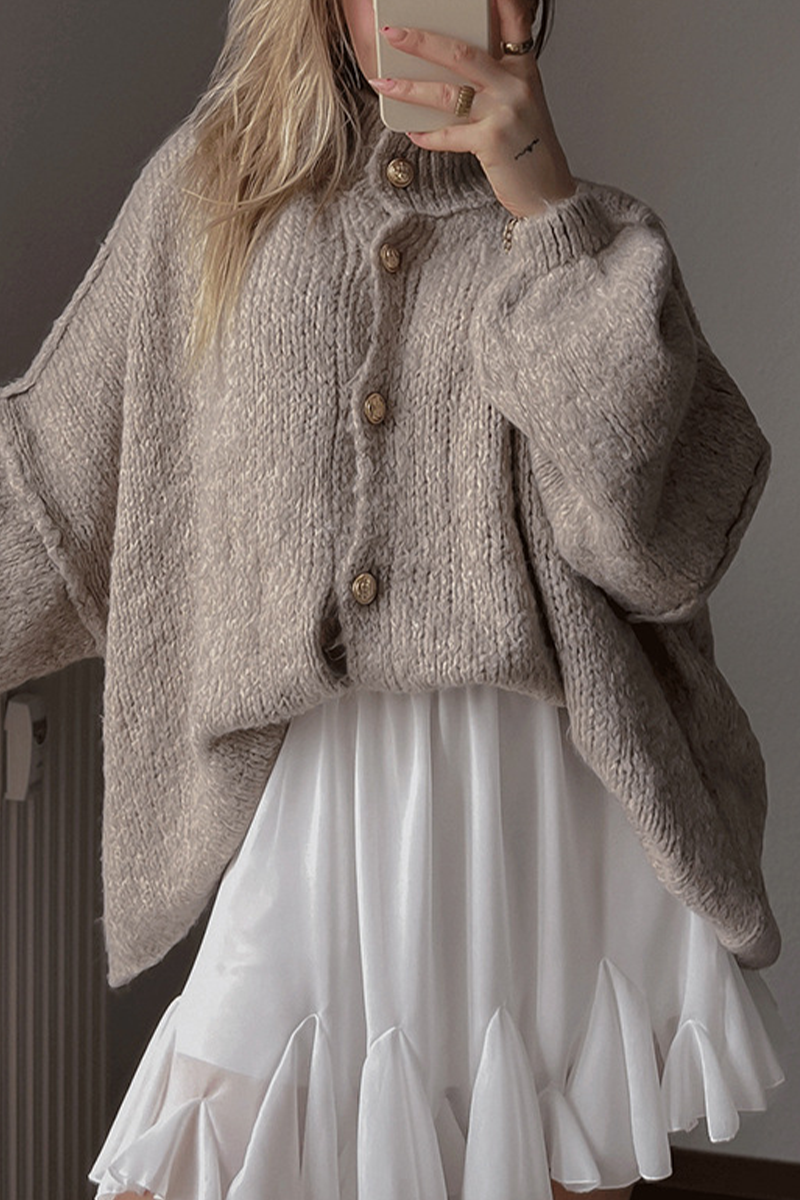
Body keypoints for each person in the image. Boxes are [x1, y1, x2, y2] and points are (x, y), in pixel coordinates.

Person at [0, 0, 785, 1197]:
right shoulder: (212, 204)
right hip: (324, 812)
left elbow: (649, 548)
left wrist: (544, 209)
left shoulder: (598, 245)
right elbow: (52, 493)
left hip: (555, 823)